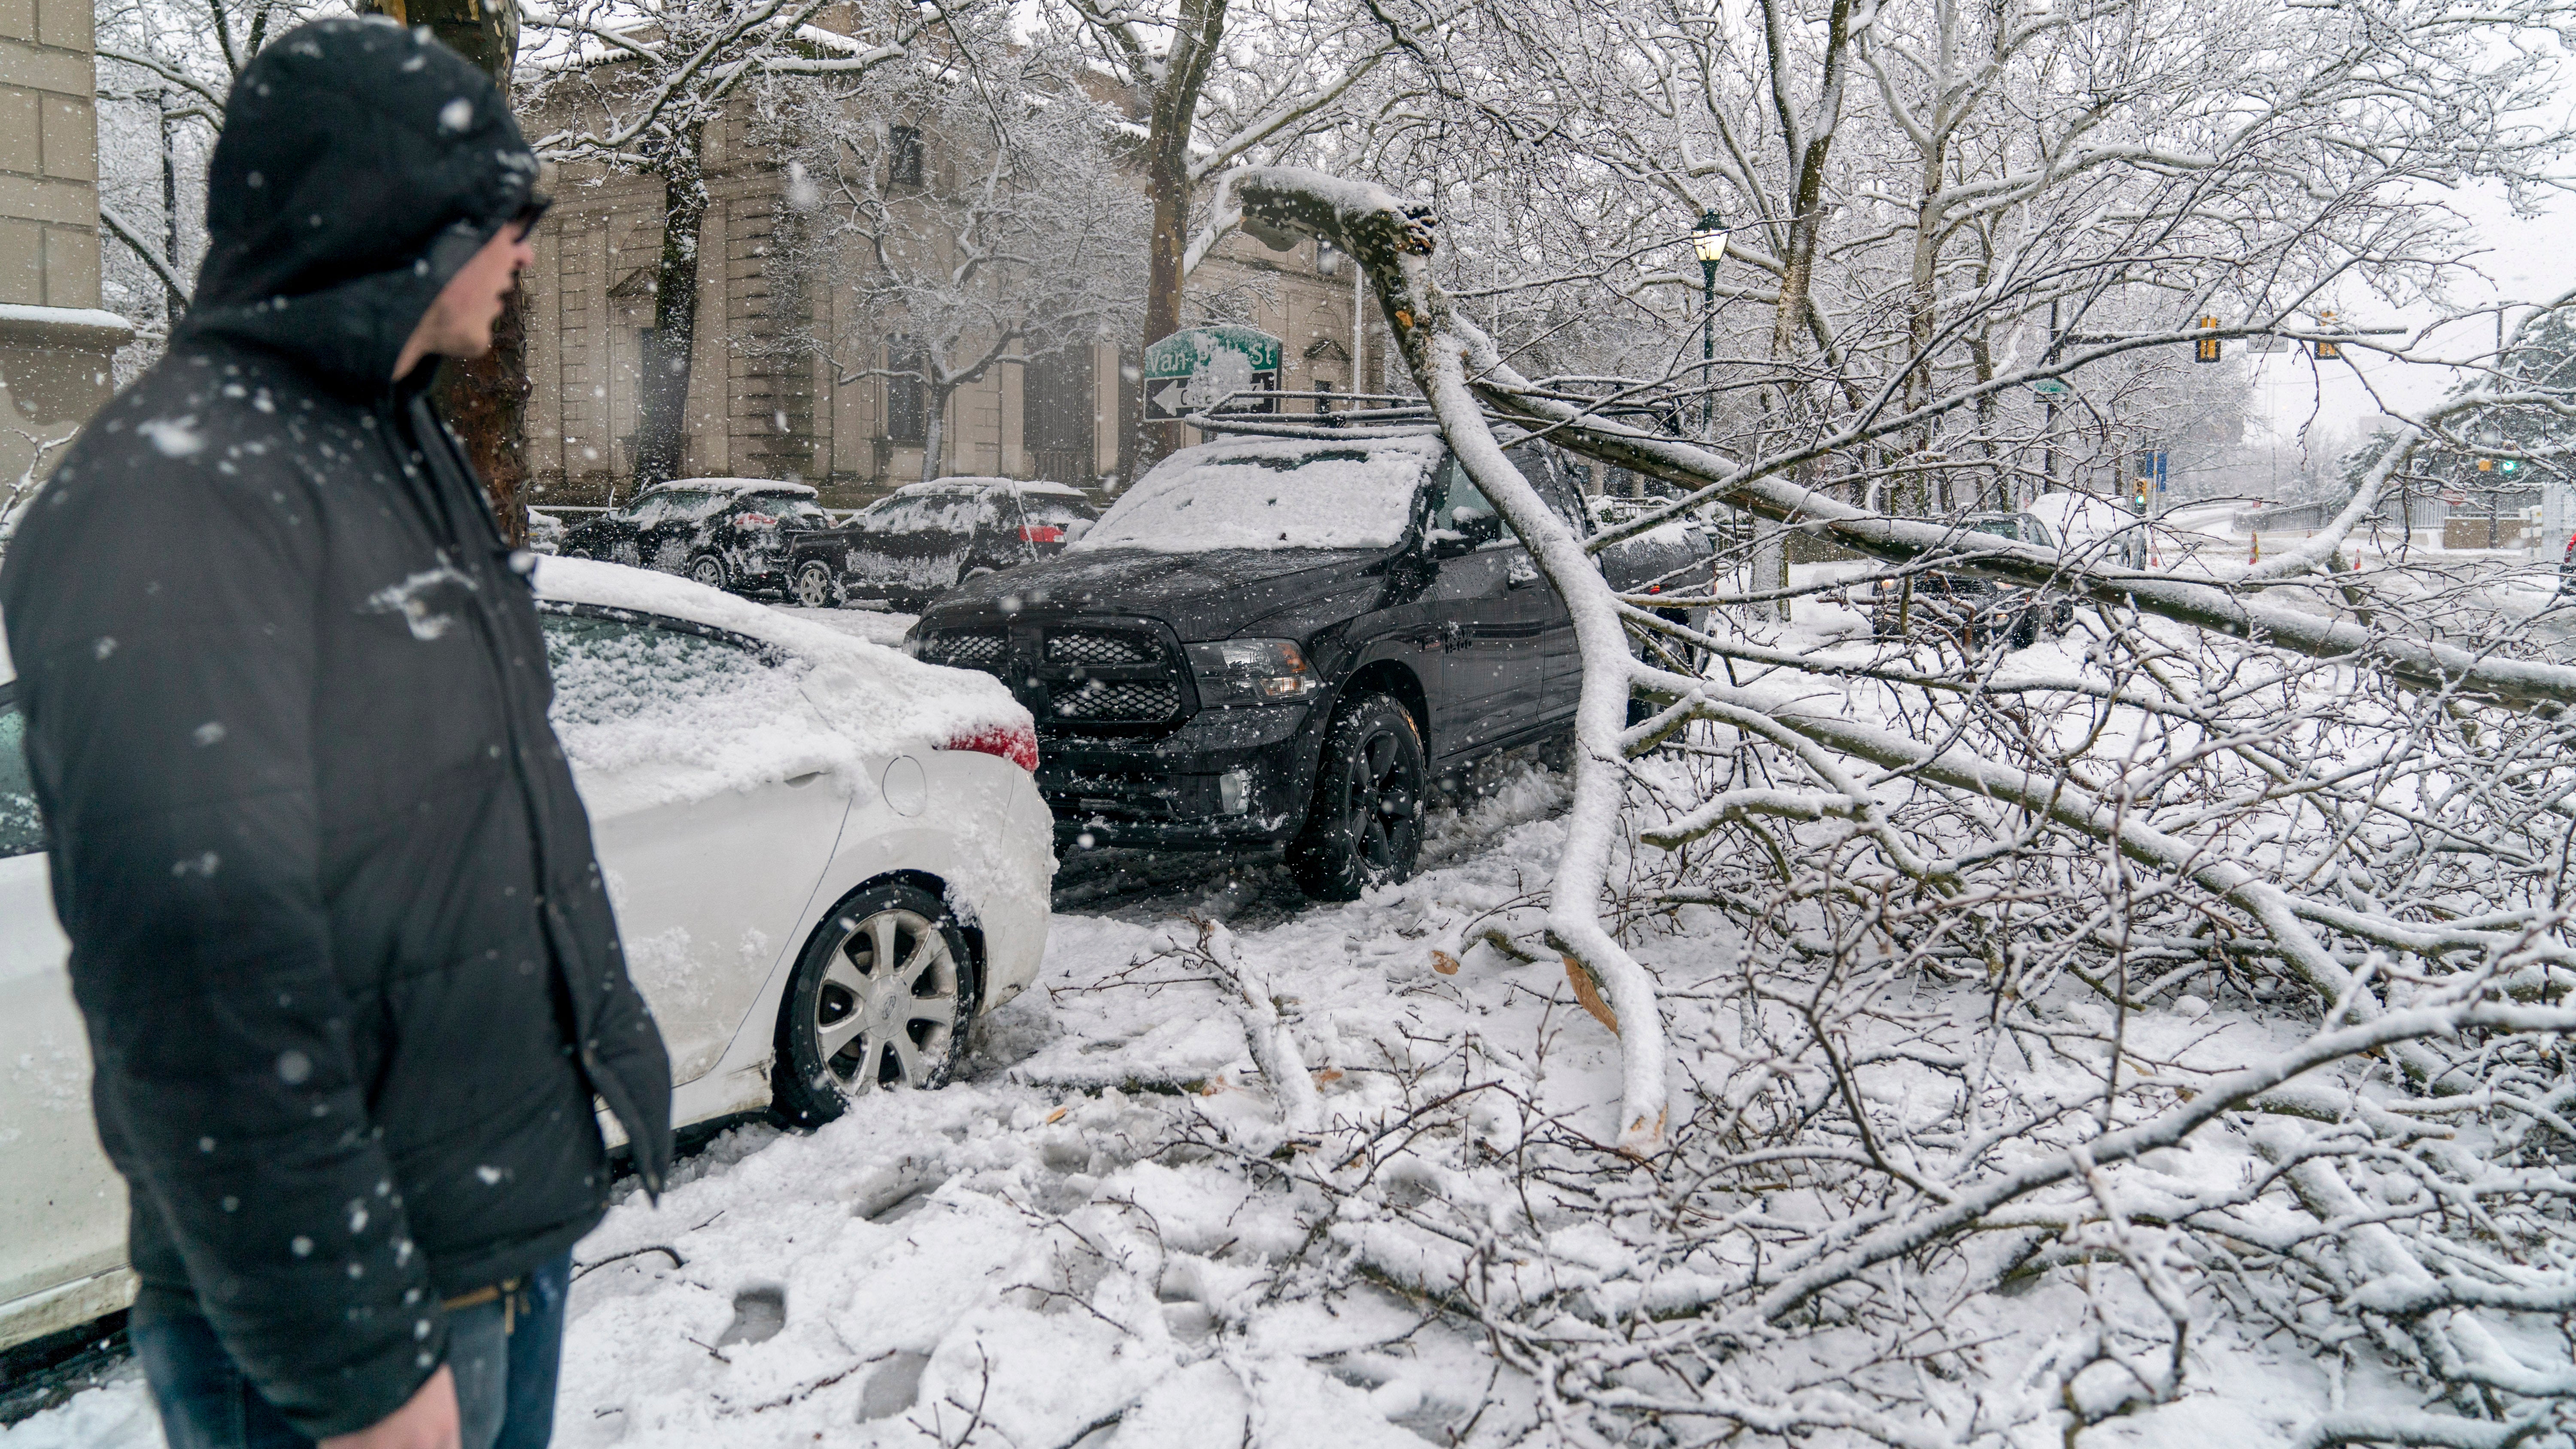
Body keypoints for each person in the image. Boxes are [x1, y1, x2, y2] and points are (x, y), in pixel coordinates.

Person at [0, 18, 672, 1449]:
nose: (528, 252)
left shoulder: (382, 437)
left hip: (480, 1239)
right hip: (358, 1324)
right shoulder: (181, 497)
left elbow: (485, 797)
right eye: (507, 216)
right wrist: (359, 1365)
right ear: (394, 223)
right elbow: (201, 984)